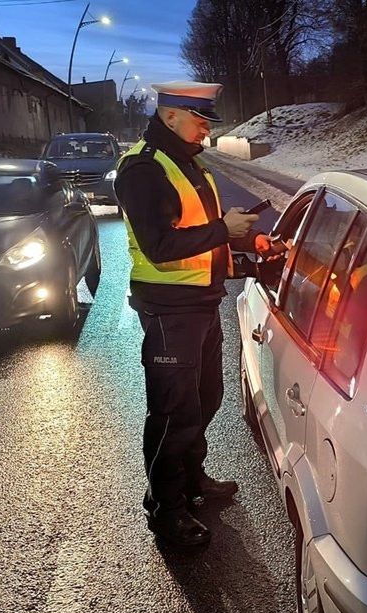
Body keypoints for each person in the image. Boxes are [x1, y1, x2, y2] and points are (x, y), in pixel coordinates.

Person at [114, 81, 273, 547]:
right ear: (170, 116)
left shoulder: (189, 163)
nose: (206, 128)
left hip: (201, 303)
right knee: (172, 413)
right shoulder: (143, 169)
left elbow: (202, 237)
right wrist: (224, 228)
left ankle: (191, 480)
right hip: (169, 310)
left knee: (204, 400)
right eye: (200, 119)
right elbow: (161, 246)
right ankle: (166, 509)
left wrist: (248, 243)